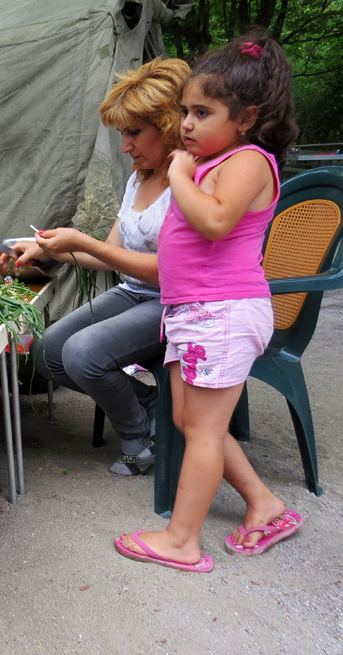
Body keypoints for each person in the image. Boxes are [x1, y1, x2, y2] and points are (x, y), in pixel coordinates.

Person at [114, 29, 302, 572]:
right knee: (191, 421)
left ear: (246, 118)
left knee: (201, 430)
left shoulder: (249, 161)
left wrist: (177, 173)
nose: (187, 124)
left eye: (202, 113)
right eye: (185, 112)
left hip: (223, 312)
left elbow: (217, 221)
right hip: (192, 313)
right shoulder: (208, 163)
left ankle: (181, 540)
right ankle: (264, 504)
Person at [6, 58, 191, 475]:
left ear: (167, 124)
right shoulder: (139, 178)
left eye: (134, 132)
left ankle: (138, 441)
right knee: (47, 351)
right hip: (134, 292)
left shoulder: (189, 181)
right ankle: (149, 405)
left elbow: (168, 272)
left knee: (83, 352)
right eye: (122, 134)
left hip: (175, 302)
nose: (125, 146)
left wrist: (81, 240)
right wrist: (48, 249)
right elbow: (108, 252)